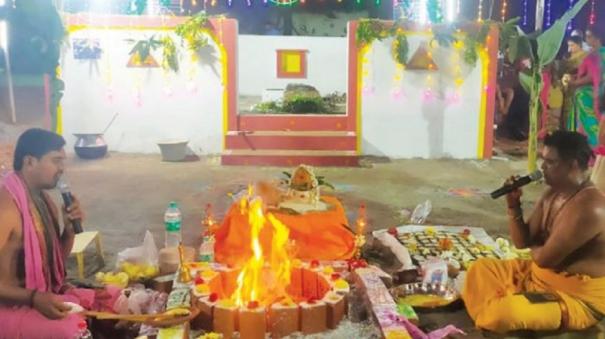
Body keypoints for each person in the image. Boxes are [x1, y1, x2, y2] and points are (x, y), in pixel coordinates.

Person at [462, 131, 605, 333]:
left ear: (572, 165)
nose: (542, 167)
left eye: (550, 162)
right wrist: (513, 206)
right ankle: (500, 318)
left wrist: (536, 250)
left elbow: (545, 260)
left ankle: (499, 316)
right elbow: (522, 242)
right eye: (543, 160)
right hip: (537, 276)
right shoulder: (552, 193)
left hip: (575, 297)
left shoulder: (591, 207)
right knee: (480, 269)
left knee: (507, 312)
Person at [0, 129, 119, 339]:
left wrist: (69, 231)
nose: (62, 169)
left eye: (62, 162)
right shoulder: (6, 207)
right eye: (56, 161)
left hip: (40, 295)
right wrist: (34, 298)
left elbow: (55, 265)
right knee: (74, 330)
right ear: (29, 161)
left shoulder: (45, 203)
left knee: (113, 299)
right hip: (8, 309)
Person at [568, 29, 605, 147]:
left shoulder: (595, 55)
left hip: (589, 95)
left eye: (589, 36)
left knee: (590, 124)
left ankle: (595, 151)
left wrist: (574, 83)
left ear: (597, 38)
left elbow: (592, 76)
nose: (586, 39)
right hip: (599, 93)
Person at [562, 36, 589, 129]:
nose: (570, 48)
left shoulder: (586, 56)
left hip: (580, 86)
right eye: (568, 45)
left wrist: (575, 76)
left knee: (578, 110)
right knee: (567, 110)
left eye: (572, 45)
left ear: (579, 45)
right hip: (568, 87)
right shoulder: (567, 56)